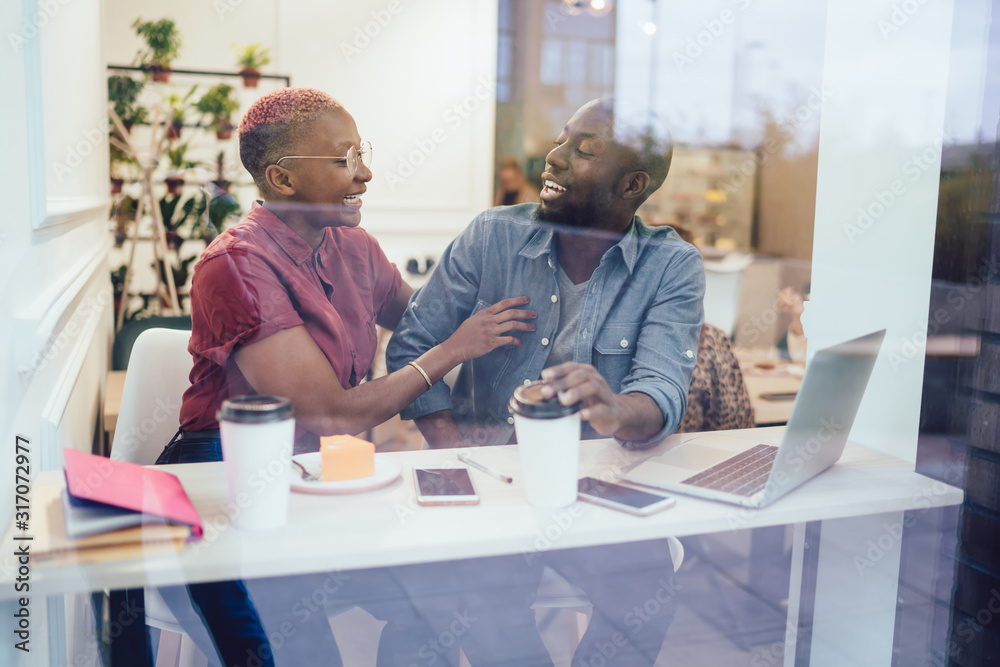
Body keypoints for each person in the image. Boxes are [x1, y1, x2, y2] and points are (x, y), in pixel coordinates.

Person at [117, 87, 538, 667]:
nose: (364, 173)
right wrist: (452, 350)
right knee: (297, 648)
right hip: (226, 486)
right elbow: (331, 413)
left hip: (322, 478)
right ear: (282, 179)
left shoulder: (355, 247)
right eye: (343, 159)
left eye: (361, 153)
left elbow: (422, 319)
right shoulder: (234, 265)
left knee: (441, 594)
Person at [386, 98, 705, 665]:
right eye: (561, 139)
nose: (552, 159)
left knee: (648, 597)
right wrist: (457, 457)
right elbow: (412, 344)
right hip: (487, 477)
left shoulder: (670, 264)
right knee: (479, 604)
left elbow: (662, 391)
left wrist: (613, 410)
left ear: (632, 185)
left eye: (583, 151)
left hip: (595, 485)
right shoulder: (492, 237)